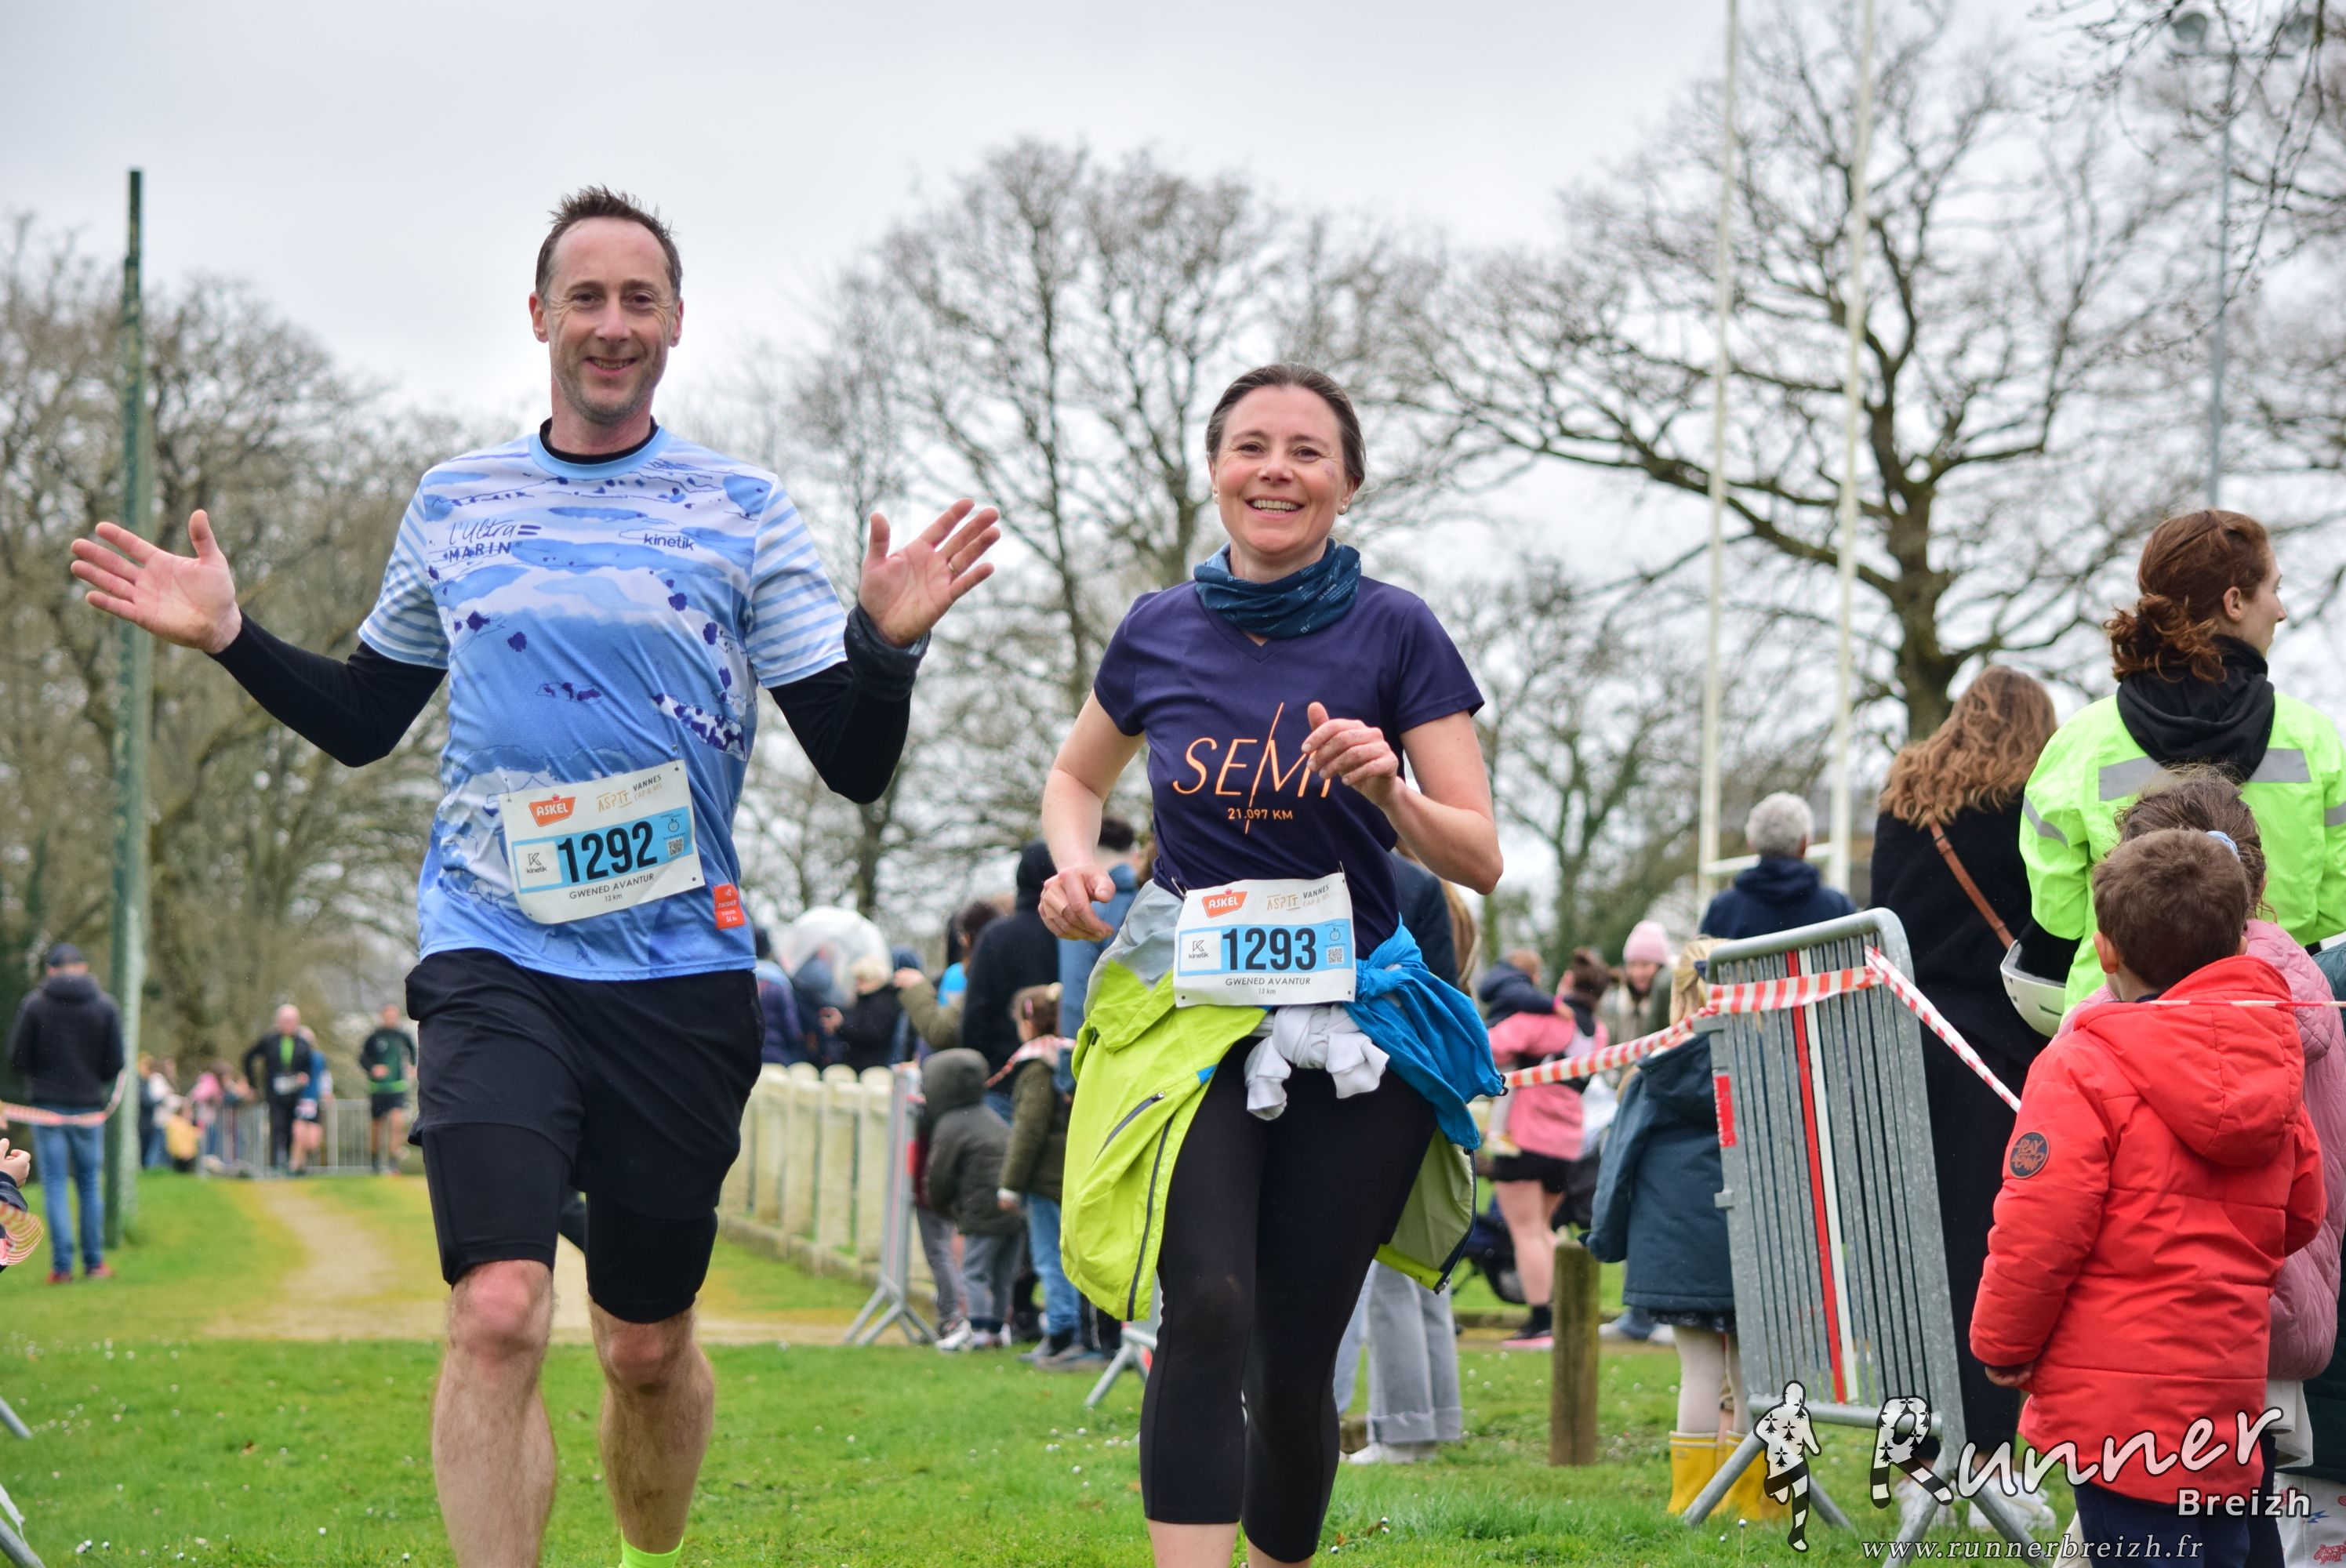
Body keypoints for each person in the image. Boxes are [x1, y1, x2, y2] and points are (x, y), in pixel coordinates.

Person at [69, 186, 998, 1568]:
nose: (611, 325)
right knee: (497, 1310)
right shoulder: (458, 502)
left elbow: (853, 763)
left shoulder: (742, 510)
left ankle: (647, 1554)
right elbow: (368, 718)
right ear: (540, 317)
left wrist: (887, 649)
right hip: (493, 952)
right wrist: (234, 637)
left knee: (643, 1346)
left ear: (674, 324)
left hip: (678, 973)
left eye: (639, 300)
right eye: (587, 298)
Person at [1041, 363, 1502, 1568]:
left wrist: (1390, 790)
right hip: (1197, 1015)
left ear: (1347, 483)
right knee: (1205, 1308)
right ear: (1216, 470)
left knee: (1295, 1368)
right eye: (1252, 446)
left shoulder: (1397, 629)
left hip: (1358, 1026)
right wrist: (1078, 865)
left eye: (1307, 451)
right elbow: (1077, 776)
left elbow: (1480, 855)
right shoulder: (1158, 627)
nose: (1276, 471)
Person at [1973, 829, 2322, 1566]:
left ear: (2105, 950)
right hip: (2225, 1405)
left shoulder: (2081, 1065)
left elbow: (2038, 1230)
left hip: (2117, 1421)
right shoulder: (2276, 1058)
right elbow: (2301, 1216)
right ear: (2238, 941)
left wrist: (2002, 1344)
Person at [2087, 770, 2346, 1560]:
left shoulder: (2103, 1027)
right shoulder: (2313, 1000)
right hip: (2277, 1315)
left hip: (2150, 1334)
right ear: (2256, 885)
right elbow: (2311, 1192)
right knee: (2242, 1519)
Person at [1868, 664, 2060, 1531]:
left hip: (1902, 1041)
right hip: (2000, 1050)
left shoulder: (1904, 796)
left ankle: (1917, 1461)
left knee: (1911, 1255)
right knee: (1996, 1252)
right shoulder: (2032, 800)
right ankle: (1989, 1461)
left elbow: (1881, 913)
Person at [2018, 510, 2346, 1010]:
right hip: (2270, 1014)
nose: (2281, 611)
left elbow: (2056, 912)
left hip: (2117, 1020)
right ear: (2234, 602)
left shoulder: (2082, 741)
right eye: (2274, 589)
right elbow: (2335, 901)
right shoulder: (2312, 738)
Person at [1589, 941, 1779, 1523]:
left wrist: (1606, 1237)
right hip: (1753, 1244)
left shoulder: (1652, 1071)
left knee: (1698, 1371)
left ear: (1677, 997)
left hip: (1677, 1251)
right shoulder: (1767, 1067)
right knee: (1751, 1377)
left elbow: (1618, 1164)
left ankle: (1692, 1498)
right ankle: (1753, 1500)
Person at [1335, 850, 1473, 1465]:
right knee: (1423, 1267)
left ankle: (1403, 1430)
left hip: (1377, 1076)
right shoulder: (1434, 887)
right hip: (1426, 1075)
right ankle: (1433, 1420)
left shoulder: (1383, 880)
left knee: (1384, 1271)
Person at [1476, 949, 1585, 1352]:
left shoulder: (1534, 1020)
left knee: (1525, 1234)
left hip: (1524, 1138)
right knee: (1543, 1230)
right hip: (1567, 1142)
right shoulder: (1593, 1031)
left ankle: (1541, 1323)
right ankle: (1564, 1315)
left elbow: (1487, 1045)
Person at [7, 944, 123, 1283]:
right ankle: (94, 1263)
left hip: (48, 1107)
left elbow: (18, 1058)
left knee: (55, 1184)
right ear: (84, 967)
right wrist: (92, 1081)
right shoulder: (105, 1006)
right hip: (89, 1108)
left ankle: (61, 1268)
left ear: (50, 970)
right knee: (89, 1184)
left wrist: (43, 1077)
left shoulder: (35, 1004)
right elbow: (115, 1061)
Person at [996, 984, 1084, 1367]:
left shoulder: (1036, 1066)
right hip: (1068, 1173)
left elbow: (1027, 1130)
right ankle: (1072, 1327)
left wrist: (1010, 1185)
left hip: (1046, 1179)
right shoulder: (1067, 1058)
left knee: (1050, 1257)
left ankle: (1062, 1329)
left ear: (1029, 1023)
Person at [920, 1046, 1025, 1351]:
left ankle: (977, 1331)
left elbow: (938, 1176)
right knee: (1003, 1275)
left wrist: (944, 1208)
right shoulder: (991, 1117)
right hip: (1013, 1209)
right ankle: (998, 1329)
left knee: (974, 1272)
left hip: (981, 1212)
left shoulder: (951, 1124)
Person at [964, 843, 1060, 1111]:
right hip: (1061, 1076)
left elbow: (975, 1014)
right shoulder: (1070, 934)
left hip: (1002, 1078)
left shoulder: (996, 936)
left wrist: (986, 1067)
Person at [1698, 793, 1855, 940]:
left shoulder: (1723, 910)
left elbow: (1701, 958)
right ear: (1804, 844)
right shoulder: (1837, 907)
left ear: (1752, 844)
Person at [1056, 818, 1145, 1039]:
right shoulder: (1156, 895)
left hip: (1105, 1040)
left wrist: (1072, 1048)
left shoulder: (1084, 906)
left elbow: (1077, 990)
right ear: (1131, 850)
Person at [241, 1005, 314, 1175]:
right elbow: (248, 1057)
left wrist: (304, 1076)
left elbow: (309, 1067)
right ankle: (274, 1165)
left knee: (291, 1129)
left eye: (292, 1021)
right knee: (277, 1126)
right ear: (279, 1022)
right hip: (274, 1093)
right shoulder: (269, 1041)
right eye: (286, 1021)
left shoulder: (303, 1043)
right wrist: (253, 1084)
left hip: (295, 1094)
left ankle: (289, 1163)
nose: (289, 1024)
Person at [360, 1003, 419, 1175]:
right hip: (378, 1089)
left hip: (398, 1088)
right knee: (377, 1126)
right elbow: (362, 1058)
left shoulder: (403, 1036)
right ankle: (375, 1161)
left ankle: (394, 1162)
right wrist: (373, 1069)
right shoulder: (374, 1037)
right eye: (388, 1016)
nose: (391, 1019)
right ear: (383, 1016)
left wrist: (413, 1067)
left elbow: (413, 1053)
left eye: (394, 1016)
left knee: (397, 1123)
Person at [825, 956, 906, 1073]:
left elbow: (872, 1033)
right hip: (863, 1063)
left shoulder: (881, 1003)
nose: (857, 983)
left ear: (875, 980)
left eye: (861, 979)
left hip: (872, 1066)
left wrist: (842, 1025)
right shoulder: (868, 999)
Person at [750, 927, 808, 1068]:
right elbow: (792, 1027)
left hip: (745, 1057)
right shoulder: (779, 981)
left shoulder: (740, 979)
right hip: (776, 1055)